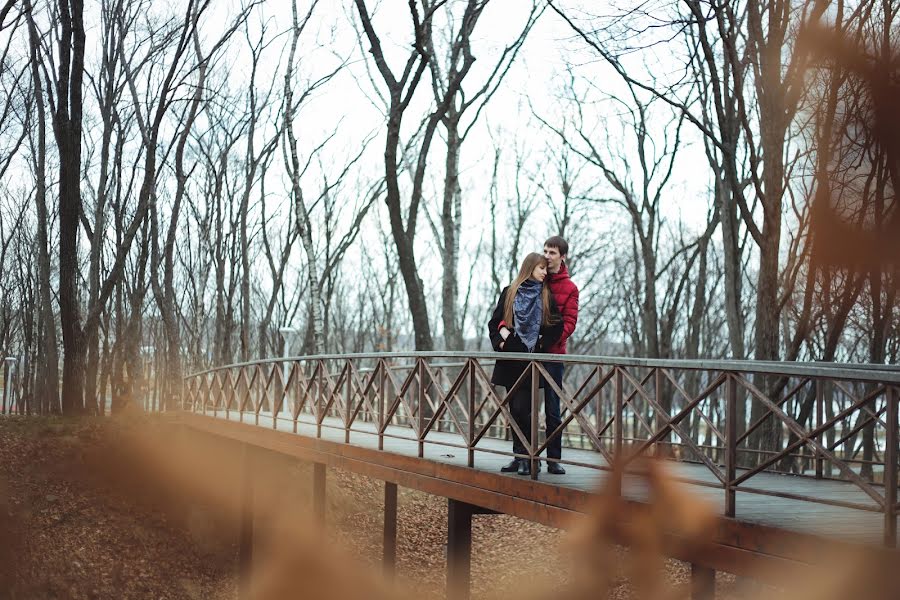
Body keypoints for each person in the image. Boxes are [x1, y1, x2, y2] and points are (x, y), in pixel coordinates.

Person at [487, 253, 563, 476]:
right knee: (515, 410)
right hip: (510, 361)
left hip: (531, 363)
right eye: (541, 268)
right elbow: (494, 323)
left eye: (545, 269)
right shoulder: (510, 292)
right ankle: (519, 456)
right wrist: (500, 342)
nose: (544, 273)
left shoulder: (545, 295)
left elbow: (556, 327)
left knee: (525, 409)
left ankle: (530, 458)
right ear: (529, 268)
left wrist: (541, 342)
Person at [541, 236, 579, 475]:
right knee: (521, 407)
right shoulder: (536, 279)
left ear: (562, 256)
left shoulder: (570, 288)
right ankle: (521, 457)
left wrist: (548, 341)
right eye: (545, 251)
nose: (547, 256)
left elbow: (570, 323)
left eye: (552, 252)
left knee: (552, 410)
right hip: (529, 355)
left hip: (553, 355)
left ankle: (553, 459)